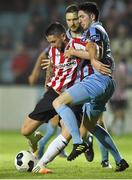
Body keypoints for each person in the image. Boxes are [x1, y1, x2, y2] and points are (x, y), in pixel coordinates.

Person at [29, 4, 110, 167]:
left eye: (75, 18)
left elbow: (98, 53)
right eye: (69, 19)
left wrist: (91, 58)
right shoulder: (62, 36)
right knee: (68, 127)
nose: (72, 23)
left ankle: (105, 160)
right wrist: (43, 76)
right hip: (72, 87)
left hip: (91, 81)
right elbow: (49, 56)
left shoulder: (89, 33)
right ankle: (83, 142)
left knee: (97, 123)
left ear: (81, 19)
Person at [52, 2, 129, 172]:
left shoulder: (94, 29)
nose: (79, 21)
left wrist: (75, 53)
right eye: (77, 17)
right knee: (92, 125)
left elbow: (97, 53)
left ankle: (78, 142)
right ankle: (119, 160)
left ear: (92, 16)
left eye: (82, 17)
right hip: (108, 83)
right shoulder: (96, 31)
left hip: (98, 80)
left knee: (58, 103)